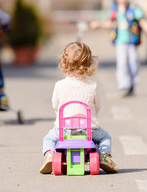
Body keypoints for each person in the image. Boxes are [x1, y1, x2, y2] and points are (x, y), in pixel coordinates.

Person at [39, 42, 118, 174]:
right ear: (88, 63)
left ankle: (49, 155)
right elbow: (97, 106)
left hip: (63, 130)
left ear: (64, 63)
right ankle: (104, 156)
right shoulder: (92, 86)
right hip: (88, 130)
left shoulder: (59, 85)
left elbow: (56, 105)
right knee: (105, 137)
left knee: (48, 139)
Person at [90, 0, 147, 97]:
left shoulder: (133, 9)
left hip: (132, 41)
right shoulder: (114, 10)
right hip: (120, 42)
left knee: (134, 63)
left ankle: (132, 83)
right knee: (122, 63)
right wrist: (98, 24)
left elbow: (143, 23)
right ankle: (124, 86)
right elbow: (111, 24)